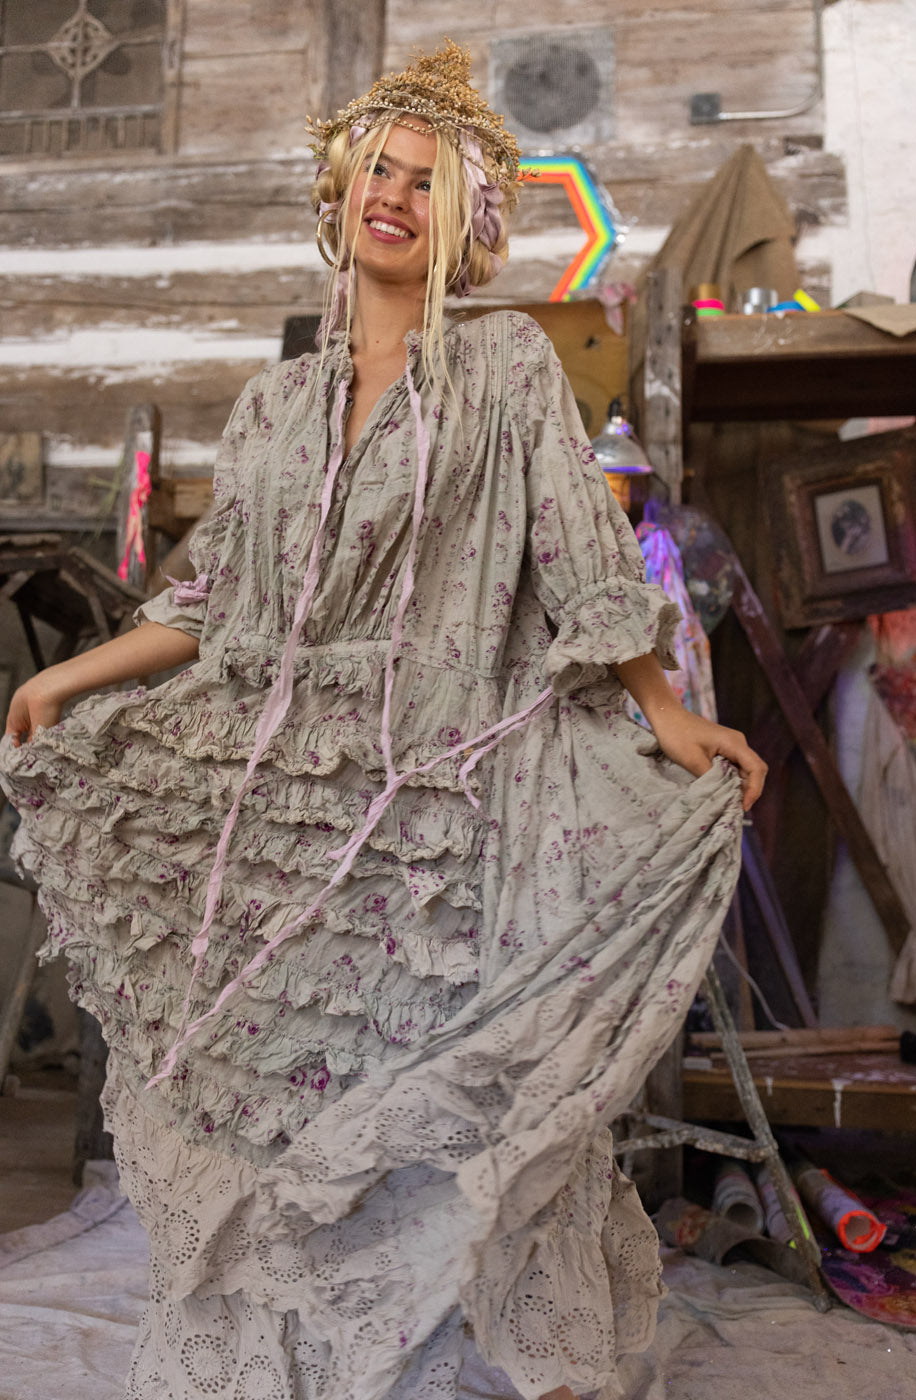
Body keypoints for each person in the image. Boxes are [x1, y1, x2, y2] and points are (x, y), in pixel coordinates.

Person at [1, 41, 765, 1400]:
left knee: (440, 1060)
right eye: (376, 171)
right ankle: (316, 1331)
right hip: (287, 770)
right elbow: (222, 605)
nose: (393, 196)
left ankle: (482, 1348)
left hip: (443, 759)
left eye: (425, 180)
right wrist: (75, 675)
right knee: (292, 1065)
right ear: (338, 192)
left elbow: (572, 555)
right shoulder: (275, 407)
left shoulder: (511, 372)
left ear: (463, 217)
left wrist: (663, 715)